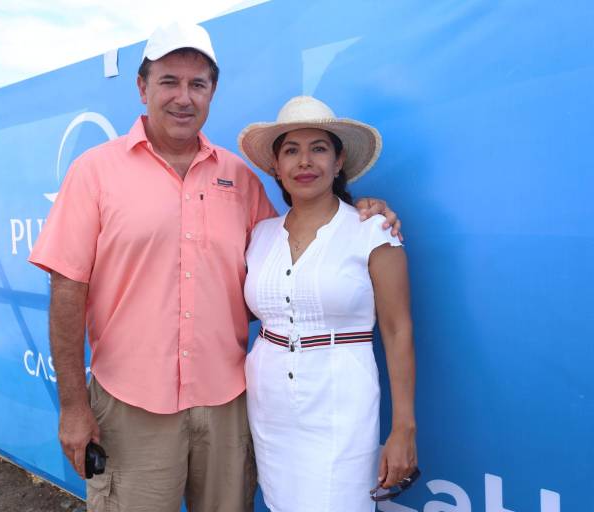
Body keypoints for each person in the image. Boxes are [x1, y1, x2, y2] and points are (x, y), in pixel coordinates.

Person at [29, 22, 401, 512]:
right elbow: (67, 289)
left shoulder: (239, 179)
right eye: (169, 81)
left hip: (228, 404)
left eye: (197, 84)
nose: (183, 97)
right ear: (142, 87)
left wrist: (364, 211)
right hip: (131, 406)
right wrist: (74, 407)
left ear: (212, 92)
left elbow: (291, 263)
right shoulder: (94, 172)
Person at [238, 95, 417, 511]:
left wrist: (404, 427)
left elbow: (397, 328)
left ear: (338, 163)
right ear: (277, 169)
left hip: (342, 409)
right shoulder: (259, 234)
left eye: (318, 148)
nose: (305, 162)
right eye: (291, 151)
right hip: (268, 408)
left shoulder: (373, 230)